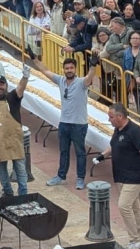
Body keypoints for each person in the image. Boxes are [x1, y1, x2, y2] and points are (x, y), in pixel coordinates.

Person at [92, 103, 140, 249]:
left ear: (120, 116)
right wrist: (102, 155)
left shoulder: (135, 131)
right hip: (121, 175)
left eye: (111, 117)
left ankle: (134, 240)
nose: (109, 120)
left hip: (134, 176)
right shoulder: (118, 129)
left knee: (123, 206)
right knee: (134, 207)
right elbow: (114, 145)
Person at [33, 53, 99, 190]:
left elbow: (90, 77)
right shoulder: (60, 80)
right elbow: (45, 71)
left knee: (80, 152)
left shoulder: (81, 83)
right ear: (63, 69)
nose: (69, 70)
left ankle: (80, 179)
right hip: (64, 123)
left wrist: (93, 65)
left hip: (79, 124)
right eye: (67, 68)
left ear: (75, 69)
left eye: (71, 68)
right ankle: (61, 176)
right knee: (64, 151)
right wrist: (34, 59)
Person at [0, 67, 31, 198]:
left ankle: (23, 194)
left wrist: (25, 77)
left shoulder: (13, 97)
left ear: (6, 86)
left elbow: (21, 88)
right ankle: (8, 192)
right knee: (1, 170)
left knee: (20, 169)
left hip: (15, 140)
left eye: (2, 84)